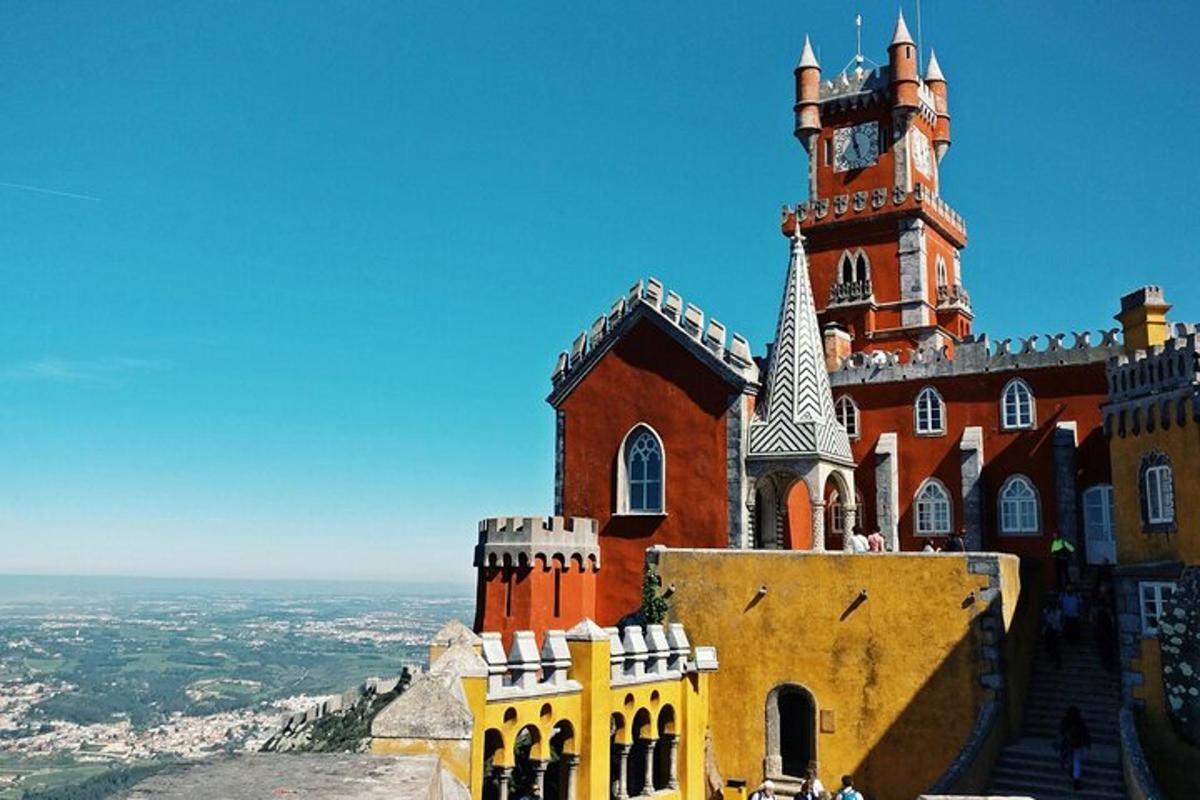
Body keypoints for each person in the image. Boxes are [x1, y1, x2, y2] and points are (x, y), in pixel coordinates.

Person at [1059, 705, 1092, 791]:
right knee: (1077, 761)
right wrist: (1088, 744)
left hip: (1069, 744)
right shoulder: (1080, 722)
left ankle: (1072, 772)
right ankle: (1076, 779)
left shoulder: (1066, 721)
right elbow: (1085, 734)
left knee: (1070, 760)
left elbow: (1061, 732)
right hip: (1078, 744)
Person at [1042, 600, 1063, 670]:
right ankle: (1052, 659)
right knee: (1049, 646)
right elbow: (1044, 621)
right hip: (1049, 631)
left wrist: (1059, 629)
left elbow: (1060, 622)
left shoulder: (1058, 612)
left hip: (1055, 631)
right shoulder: (1046, 612)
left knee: (1056, 648)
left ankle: (1056, 662)